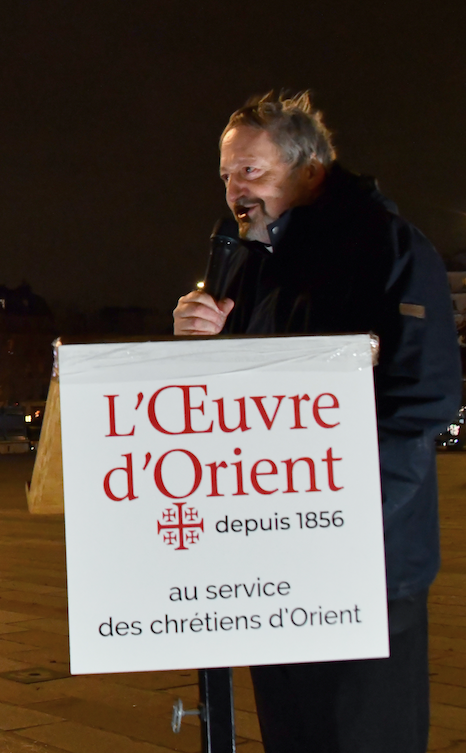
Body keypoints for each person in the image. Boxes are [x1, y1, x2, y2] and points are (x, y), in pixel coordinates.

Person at [174, 92, 462, 753]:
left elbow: (422, 396)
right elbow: (236, 414)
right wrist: (197, 347)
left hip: (365, 559)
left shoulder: (385, 246)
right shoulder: (252, 266)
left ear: (308, 168)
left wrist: (336, 511)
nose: (233, 190)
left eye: (250, 171)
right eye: (225, 174)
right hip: (278, 558)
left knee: (361, 735)